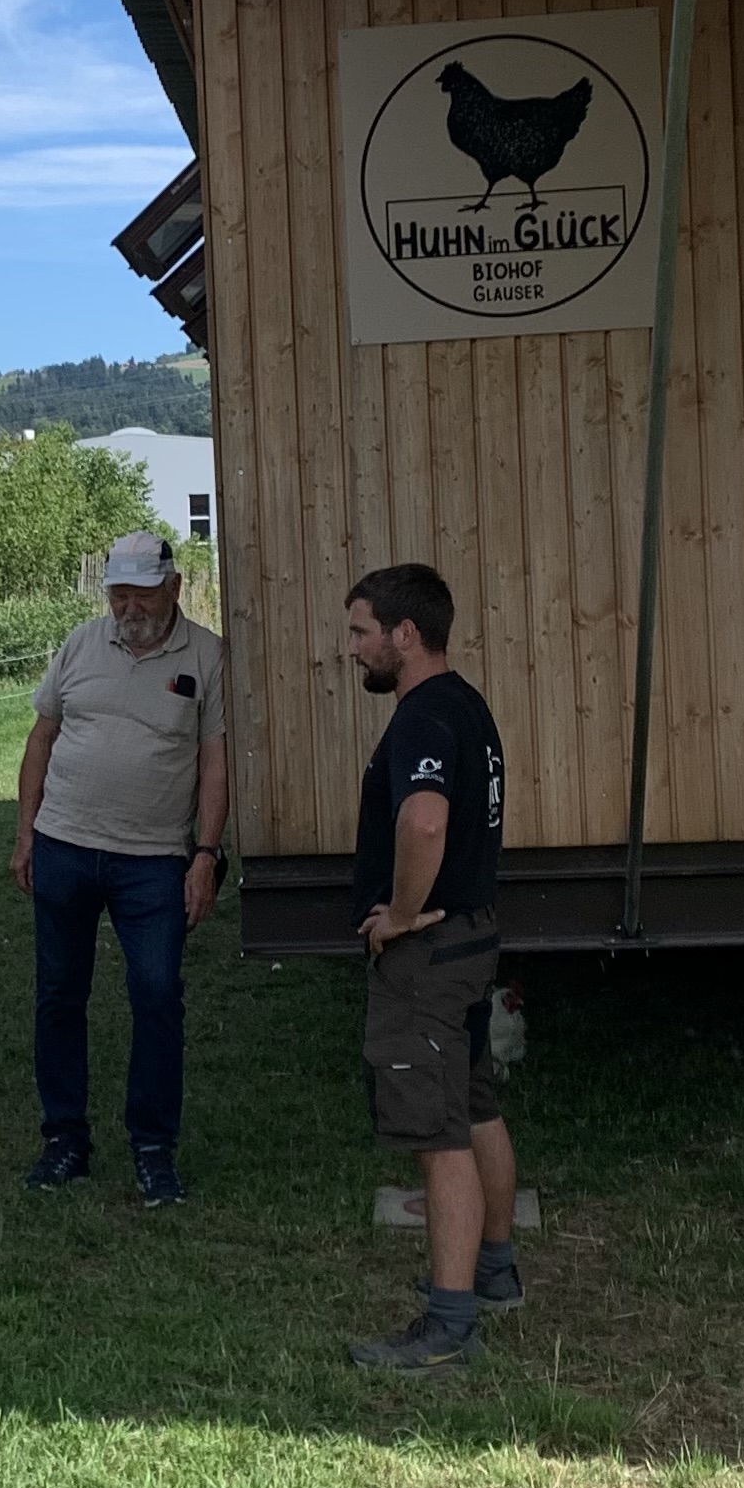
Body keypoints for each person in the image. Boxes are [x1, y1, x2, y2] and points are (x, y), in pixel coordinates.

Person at [9, 529, 229, 1208]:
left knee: (158, 995)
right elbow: (41, 735)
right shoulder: (80, 643)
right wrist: (25, 835)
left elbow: (215, 759)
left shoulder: (208, 655)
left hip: (155, 860)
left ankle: (154, 1146)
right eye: (117, 595)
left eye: (139, 595)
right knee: (58, 995)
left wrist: (206, 854)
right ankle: (64, 1139)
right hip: (64, 844)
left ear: (173, 587)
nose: (127, 609)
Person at [340, 562, 520, 1373]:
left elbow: (423, 823)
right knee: (476, 1105)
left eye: (359, 631)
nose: (353, 649)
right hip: (476, 937)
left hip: (430, 955)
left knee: (437, 1135)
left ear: (403, 634)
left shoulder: (419, 716)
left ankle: (448, 1323)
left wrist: (403, 915)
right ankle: (494, 1271)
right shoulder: (468, 706)